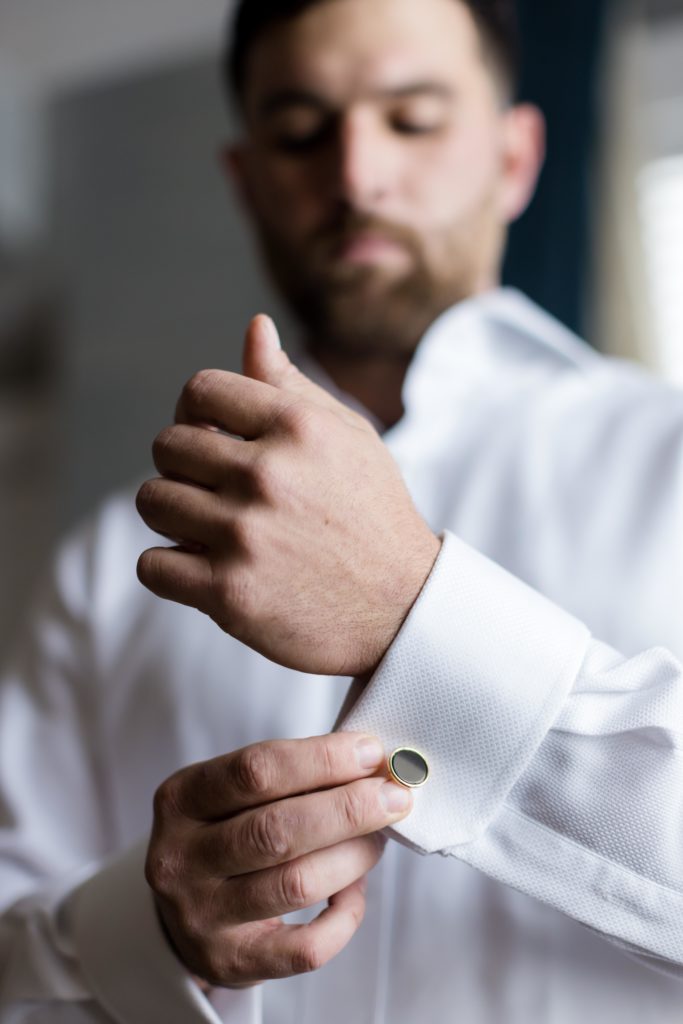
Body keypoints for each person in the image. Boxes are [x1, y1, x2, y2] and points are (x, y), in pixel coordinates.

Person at [2, 0, 683, 1021]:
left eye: (411, 119)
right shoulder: (113, 562)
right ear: (246, 180)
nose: (356, 176)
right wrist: (148, 932)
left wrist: (413, 611)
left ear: (514, 157)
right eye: (299, 131)